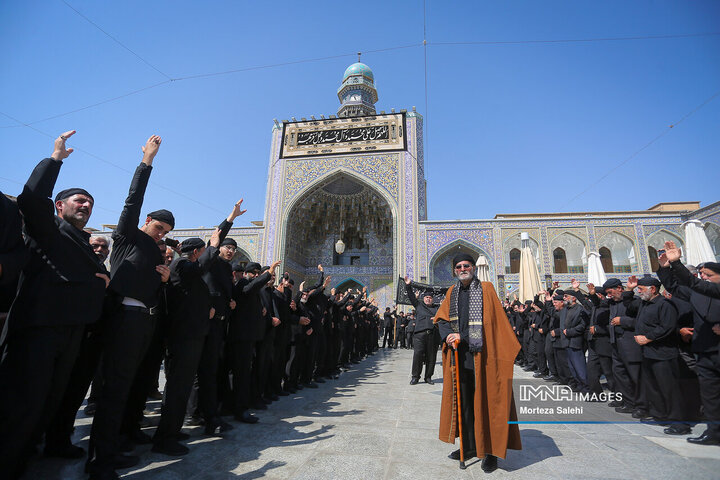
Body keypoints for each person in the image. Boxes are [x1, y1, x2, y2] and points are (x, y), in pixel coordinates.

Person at [0, 131, 109, 479]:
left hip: (73, 331)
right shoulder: (50, 230)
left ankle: (41, 449)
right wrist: (54, 161)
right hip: (41, 328)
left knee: (55, 399)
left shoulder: (84, 244)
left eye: (90, 202)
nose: (86, 205)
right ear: (60, 206)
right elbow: (31, 200)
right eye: (79, 199)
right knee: (25, 400)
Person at [88, 134, 173, 480]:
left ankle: (118, 442)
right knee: (114, 389)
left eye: (166, 232)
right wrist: (147, 162)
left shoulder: (155, 250)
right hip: (123, 318)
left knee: (130, 386)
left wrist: (164, 279)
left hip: (144, 322)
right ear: (147, 220)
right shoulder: (127, 236)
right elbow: (131, 201)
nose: (161, 234)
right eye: (158, 226)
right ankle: (99, 462)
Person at [435, 253, 522, 473]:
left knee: (488, 402)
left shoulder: (487, 289)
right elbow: (442, 318)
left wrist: (461, 336)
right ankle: (470, 446)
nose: (463, 268)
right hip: (460, 358)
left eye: (466, 265)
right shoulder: (451, 292)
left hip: (483, 358)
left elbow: (490, 322)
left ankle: (490, 452)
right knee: (465, 404)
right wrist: (448, 336)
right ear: (454, 270)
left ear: (473, 267)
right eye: (459, 266)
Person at [658, 244, 720, 445]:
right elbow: (678, 286)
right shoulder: (698, 292)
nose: (704, 278)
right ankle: (714, 432)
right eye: (702, 274)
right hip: (704, 350)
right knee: (710, 395)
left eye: (708, 275)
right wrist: (668, 267)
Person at [404, 276, 439, 385]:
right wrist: (408, 285)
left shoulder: (437, 309)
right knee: (418, 355)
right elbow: (410, 296)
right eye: (426, 297)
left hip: (433, 335)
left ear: (432, 299)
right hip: (420, 335)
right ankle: (415, 377)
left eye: (430, 297)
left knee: (431, 357)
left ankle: (428, 377)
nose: (428, 299)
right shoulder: (419, 305)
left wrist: (437, 319)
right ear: (423, 299)